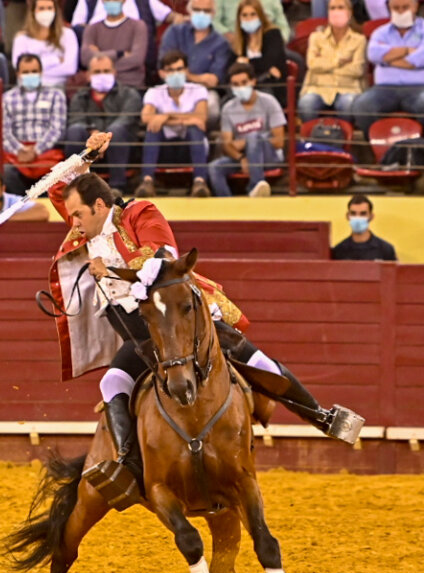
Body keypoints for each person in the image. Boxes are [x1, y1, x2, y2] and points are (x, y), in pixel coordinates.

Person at [48, 131, 363, 508]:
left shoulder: (139, 212)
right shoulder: (87, 227)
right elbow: (58, 189)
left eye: (78, 214)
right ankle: (125, 466)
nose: (74, 223)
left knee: (254, 360)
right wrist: (85, 157)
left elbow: (162, 256)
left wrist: (113, 272)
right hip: (137, 336)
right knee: (112, 382)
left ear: (100, 205)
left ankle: (321, 416)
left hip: (180, 323)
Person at [136, 50, 211, 197]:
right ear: (162, 73)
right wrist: (188, 118)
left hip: (190, 149)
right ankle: (147, 181)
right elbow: (146, 117)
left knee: (195, 128)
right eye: (170, 70)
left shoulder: (198, 90)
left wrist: (166, 116)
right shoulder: (154, 92)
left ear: (186, 71)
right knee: (153, 128)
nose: (175, 74)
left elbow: (201, 117)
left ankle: (200, 182)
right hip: (165, 150)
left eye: (179, 69)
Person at [64, 53, 143, 191]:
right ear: (88, 75)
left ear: (114, 72)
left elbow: (127, 119)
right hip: (89, 147)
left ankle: (117, 186)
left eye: (106, 71)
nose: (102, 75)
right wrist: (93, 133)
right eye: (97, 72)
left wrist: (104, 137)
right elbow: (76, 119)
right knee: (74, 131)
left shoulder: (129, 94)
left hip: (121, 148)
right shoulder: (80, 97)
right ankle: (75, 186)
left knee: (118, 130)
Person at [207, 63, 285, 196]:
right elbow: (227, 145)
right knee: (214, 167)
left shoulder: (269, 102)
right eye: (236, 85)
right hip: (243, 157)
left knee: (253, 136)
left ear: (253, 81)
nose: (241, 87)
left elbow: (279, 142)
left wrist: (248, 143)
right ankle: (228, 207)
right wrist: (241, 158)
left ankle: (255, 187)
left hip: (269, 156)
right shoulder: (228, 108)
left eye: (244, 82)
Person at [351, 0, 424, 137]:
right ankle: (377, 149)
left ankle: (419, 151)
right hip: (384, 89)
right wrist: (407, 50)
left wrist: (388, 59)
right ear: (389, 9)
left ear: (415, 7)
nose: (400, 11)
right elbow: (374, 54)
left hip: (419, 88)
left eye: (405, 7)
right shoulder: (380, 32)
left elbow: (418, 60)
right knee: (362, 105)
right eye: (396, 8)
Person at [1, 54, 69, 192]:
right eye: (25, 72)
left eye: (34, 71)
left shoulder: (56, 95)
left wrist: (37, 150)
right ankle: (22, 207)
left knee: (60, 174)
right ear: (18, 74)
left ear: (41, 72)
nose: (30, 75)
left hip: (47, 152)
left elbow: (57, 129)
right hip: (17, 153)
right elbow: (4, 132)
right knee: (6, 172)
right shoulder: (6, 98)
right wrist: (19, 150)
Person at [299, 0, 368, 123]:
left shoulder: (359, 40)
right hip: (318, 87)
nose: (336, 12)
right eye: (332, 8)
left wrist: (324, 62)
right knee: (306, 104)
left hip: (348, 87)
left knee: (347, 104)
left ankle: (345, 139)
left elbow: (357, 70)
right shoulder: (316, 37)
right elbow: (312, 64)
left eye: (340, 8)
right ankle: (312, 140)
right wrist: (339, 62)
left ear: (350, 12)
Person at [159, 0, 233, 94]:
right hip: (171, 89)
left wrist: (183, 74)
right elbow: (164, 69)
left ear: (213, 13)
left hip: (204, 93)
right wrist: (200, 78)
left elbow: (213, 81)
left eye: (206, 11)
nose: (201, 14)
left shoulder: (221, 43)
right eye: (197, 10)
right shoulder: (174, 32)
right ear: (189, 11)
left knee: (211, 102)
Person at [226, 0, 288, 105]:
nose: (248, 19)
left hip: (270, 86)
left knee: (263, 98)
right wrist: (263, 68)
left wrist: (245, 63)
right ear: (239, 19)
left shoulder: (273, 34)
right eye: (244, 15)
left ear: (260, 15)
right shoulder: (239, 41)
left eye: (253, 14)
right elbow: (230, 69)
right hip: (244, 86)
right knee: (227, 99)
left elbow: (269, 61)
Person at [80, 1, 150, 89]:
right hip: (99, 85)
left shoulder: (138, 26)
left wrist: (99, 58)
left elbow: (136, 59)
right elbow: (86, 59)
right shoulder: (91, 29)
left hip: (130, 85)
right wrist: (118, 54)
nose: (112, 1)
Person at [12, 0, 80, 88]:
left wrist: (34, 70)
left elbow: (70, 69)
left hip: (59, 86)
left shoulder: (68, 34)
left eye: (49, 8)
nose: (46, 12)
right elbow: (19, 67)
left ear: (55, 11)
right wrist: (55, 60)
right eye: (41, 8)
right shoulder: (21, 38)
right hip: (27, 86)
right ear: (33, 12)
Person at [331, 194, 398, 260]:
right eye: (353, 213)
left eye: (363, 214)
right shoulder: (339, 250)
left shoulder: (385, 249)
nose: (357, 218)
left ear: (371, 216)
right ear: (347, 216)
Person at [212, 0, 288, 40]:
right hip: (233, 42)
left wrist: (279, 41)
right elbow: (214, 21)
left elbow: (282, 25)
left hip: (267, 42)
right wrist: (227, 35)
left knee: (296, 60)